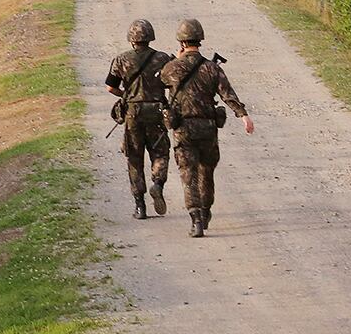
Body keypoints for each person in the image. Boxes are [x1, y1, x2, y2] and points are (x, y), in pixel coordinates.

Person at [159, 18, 254, 239]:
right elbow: (227, 94)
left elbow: (160, 83)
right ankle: (206, 209)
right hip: (208, 129)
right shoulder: (212, 68)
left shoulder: (172, 68)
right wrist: (244, 116)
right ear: (200, 41)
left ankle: (196, 220)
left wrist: (178, 60)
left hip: (184, 130)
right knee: (206, 174)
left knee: (188, 176)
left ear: (181, 43)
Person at [105, 18, 174, 220]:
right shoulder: (163, 59)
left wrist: (125, 96)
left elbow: (110, 87)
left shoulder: (121, 60)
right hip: (157, 111)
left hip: (133, 114)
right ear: (150, 37)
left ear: (131, 39)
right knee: (161, 152)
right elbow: (173, 83)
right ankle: (158, 184)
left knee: (134, 159)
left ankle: (140, 207)